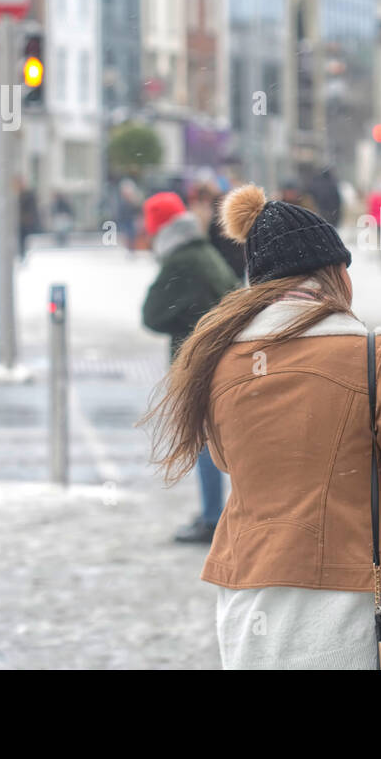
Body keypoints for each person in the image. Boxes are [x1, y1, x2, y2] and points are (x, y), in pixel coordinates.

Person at [141, 184, 381, 669]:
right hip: (350, 606)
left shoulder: (218, 359)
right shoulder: (374, 355)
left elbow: (229, 460)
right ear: (333, 275)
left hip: (247, 599)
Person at [140, 192, 242, 544]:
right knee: (216, 440)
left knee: (205, 441)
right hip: (223, 359)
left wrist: (184, 319)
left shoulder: (181, 262)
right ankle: (219, 514)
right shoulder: (203, 252)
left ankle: (214, 517)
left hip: (202, 364)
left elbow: (151, 315)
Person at [17, 184, 40, 262]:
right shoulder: (18, 195)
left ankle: (22, 255)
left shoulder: (27, 196)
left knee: (23, 240)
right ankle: (21, 255)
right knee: (21, 240)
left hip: (24, 223)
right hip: (21, 223)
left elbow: (32, 210)